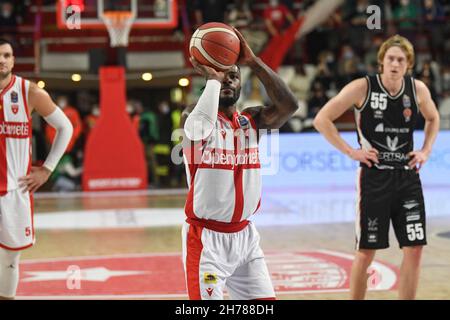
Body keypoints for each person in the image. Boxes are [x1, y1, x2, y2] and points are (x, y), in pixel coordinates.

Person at [313, 35, 440, 300]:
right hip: (374, 179)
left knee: (415, 248)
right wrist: (351, 151)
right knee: (366, 251)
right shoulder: (363, 87)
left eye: (401, 60)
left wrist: (426, 150)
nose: (395, 64)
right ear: (381, 62)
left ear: (408, 65)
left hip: (407, 178)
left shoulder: (417, 90)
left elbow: (433, 118)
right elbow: (322, 119)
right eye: (391, 58)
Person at [181, 28, 298, 300]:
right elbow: (200, 126)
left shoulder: (251, 121)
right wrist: (214, 77)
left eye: (233, 76)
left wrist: (254, 61)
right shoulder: (192, 118)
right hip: (207, 239)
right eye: (221, 76)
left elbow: (289, 106)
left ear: (241, 83)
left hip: (246, 237)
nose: (227, 81)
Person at [0, 38, 73, 299]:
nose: (2, 60)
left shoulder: (29, 92)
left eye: (6, 55)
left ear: (13, 60)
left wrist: (47, 168)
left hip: (14, 190)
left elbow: (66, 127)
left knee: (9, 259)